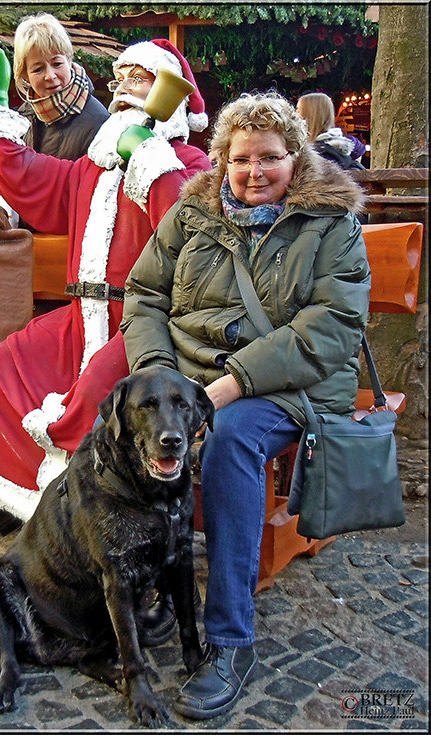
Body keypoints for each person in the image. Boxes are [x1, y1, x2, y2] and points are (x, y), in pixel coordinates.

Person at [120, 91, 370, 718]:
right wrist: (155, 377)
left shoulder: (331, 223)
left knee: (230, 438)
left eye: (270, 158)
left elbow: (333, 326)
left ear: (297, 157)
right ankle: (137, 583)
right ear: (222, 162)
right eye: (241, 160)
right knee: (118, 419)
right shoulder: (194, 213)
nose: (255, 172)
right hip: (188, 376)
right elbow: (145, 292)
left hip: (292, 385)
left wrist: (228, 385)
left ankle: (230, 639)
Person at [0, 39, 212, 568]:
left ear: (169, 95)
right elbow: (26, 175)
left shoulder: (189, 165)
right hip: (83, 319)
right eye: (120, 78)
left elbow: (188, 233)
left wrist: (148, 156)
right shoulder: (91, 169)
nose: (123, 89)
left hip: (148, 324)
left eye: (138, 79)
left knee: (92, 399)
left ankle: (89, 523)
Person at [13, 13, 109, 162]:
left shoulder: (98, 121)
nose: (50, 76)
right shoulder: (22, 118)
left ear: (69, 60)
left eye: (57, 64)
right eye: (38, 69)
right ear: (25, 74)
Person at [296, 92, 365, 170]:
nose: (295, 115)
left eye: (298, 111)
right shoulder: (349, 148)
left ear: (308, 116)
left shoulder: (316, 153)